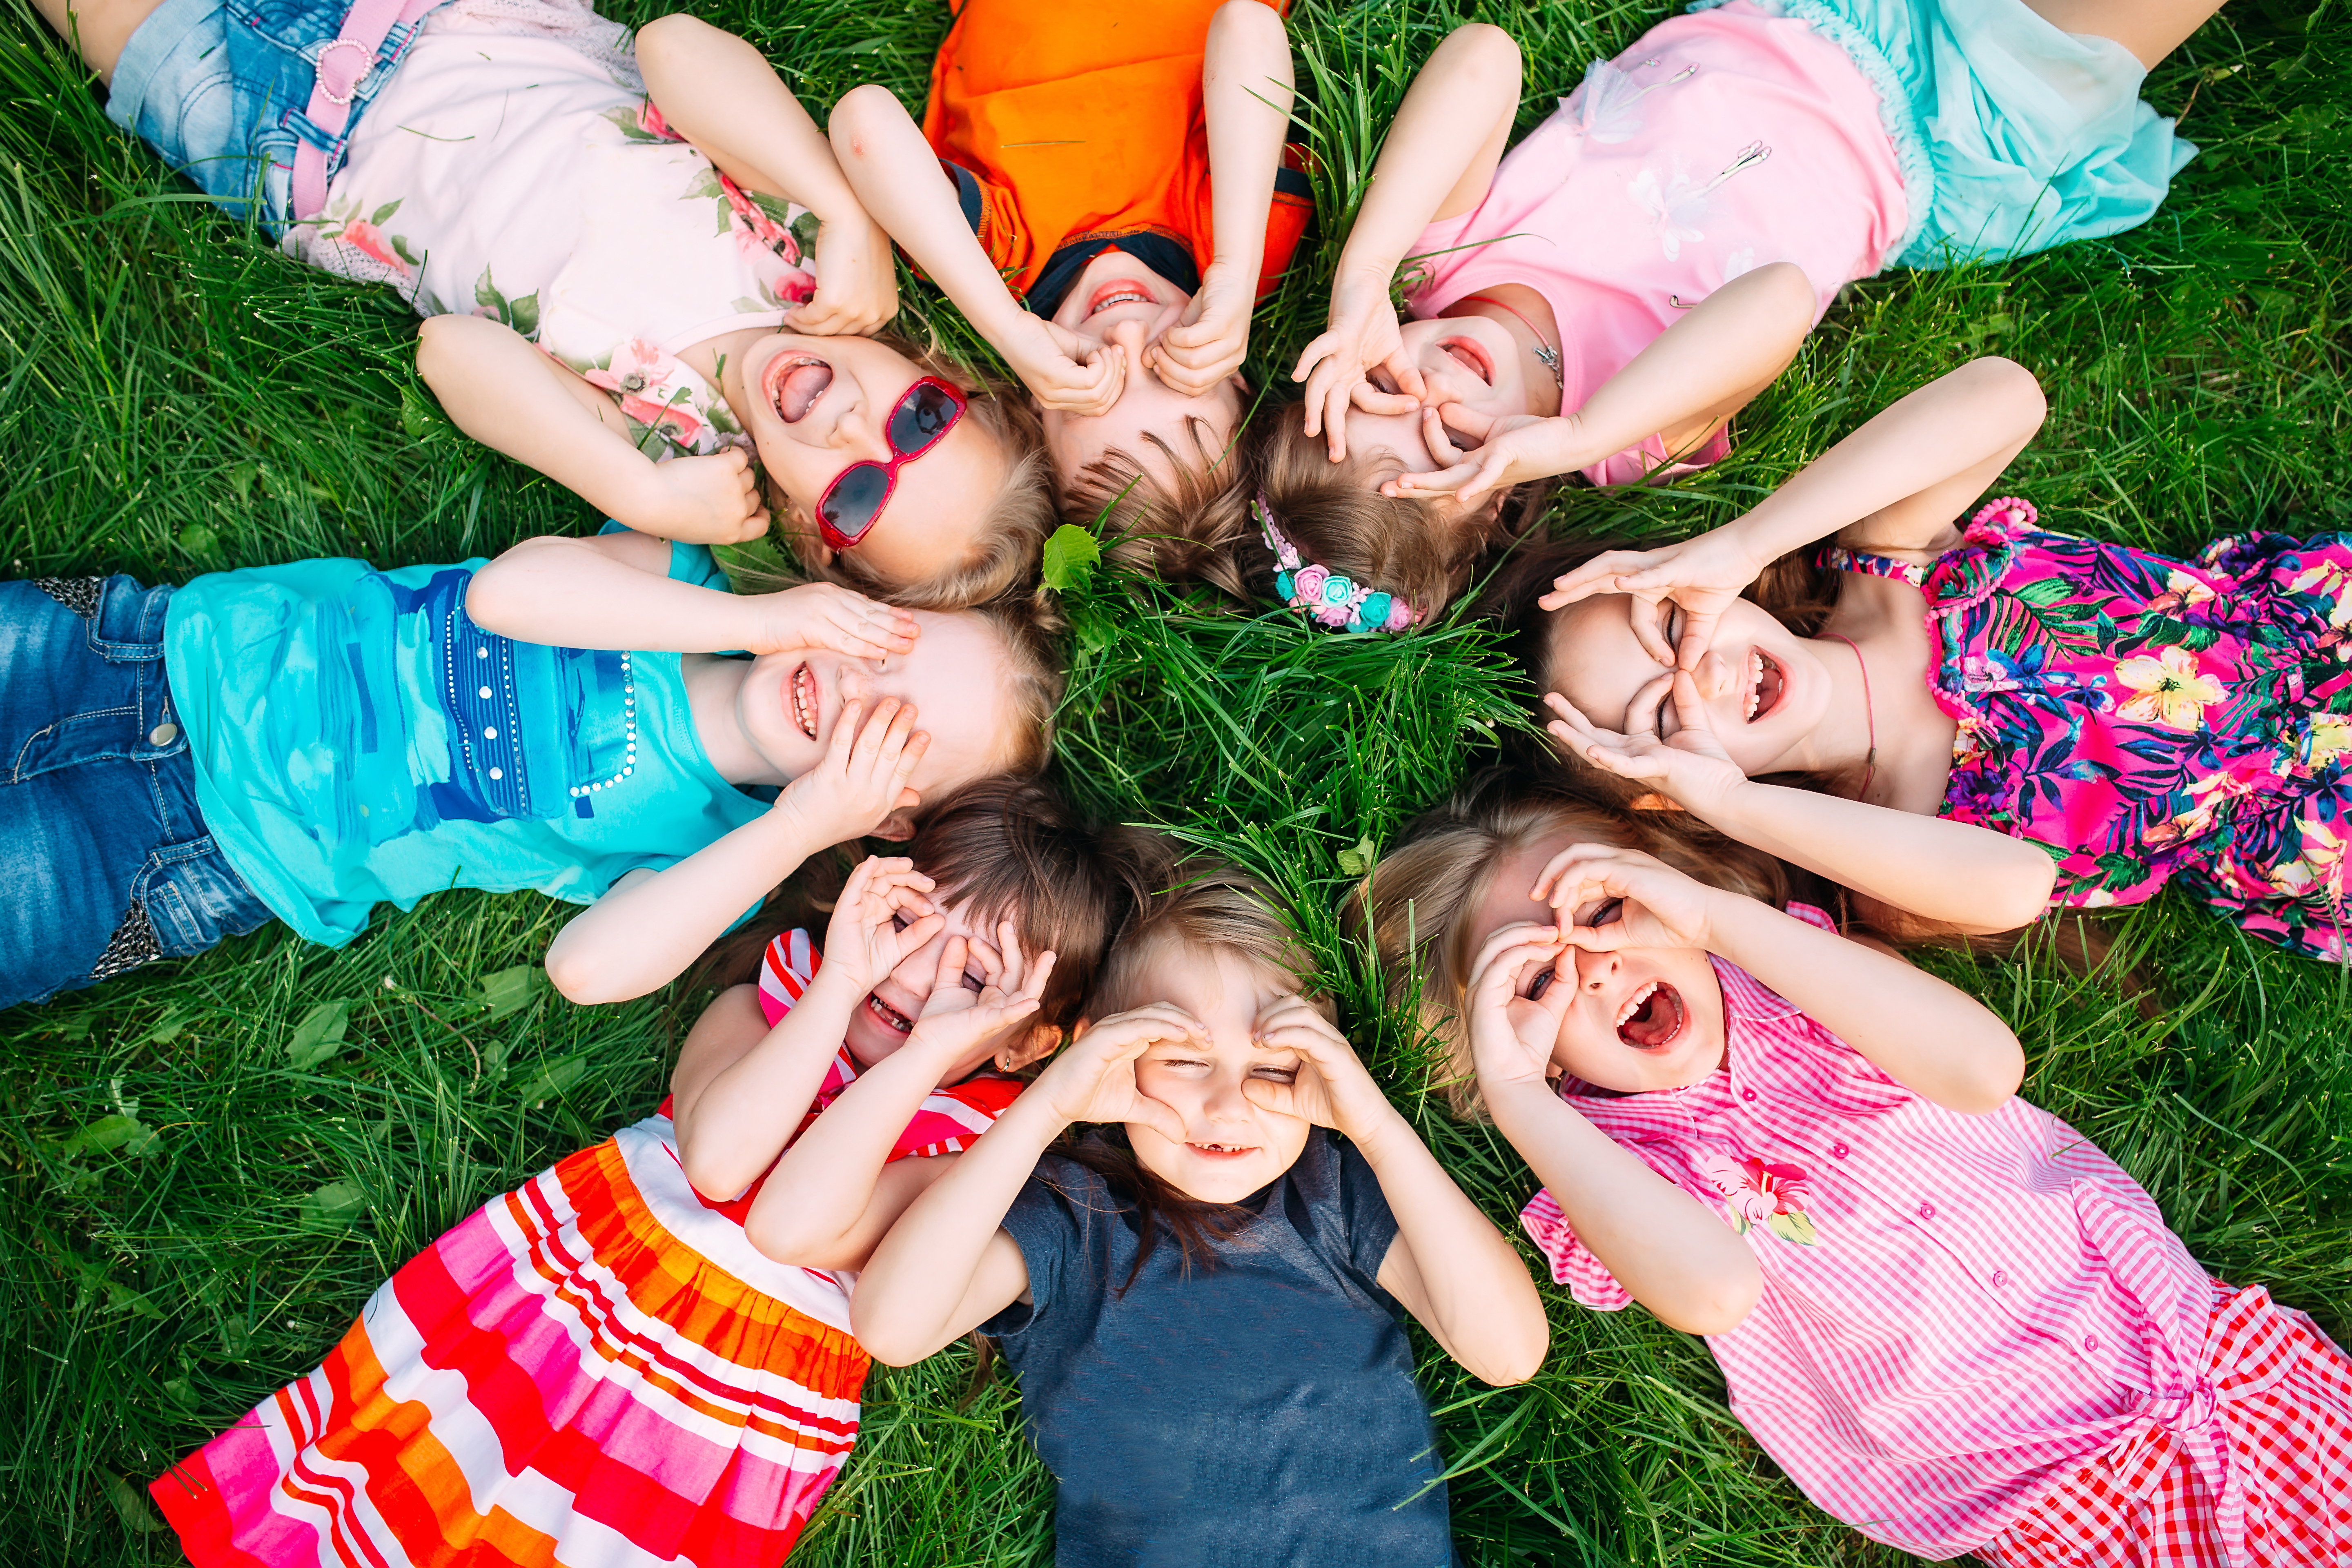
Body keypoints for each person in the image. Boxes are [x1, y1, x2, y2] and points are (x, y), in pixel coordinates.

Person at [1361, 768, 2352, 1566]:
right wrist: (1518, 1094)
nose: (1597, 967)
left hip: (2230, 1367)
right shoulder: (1610, 1169)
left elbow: (1982, 1068)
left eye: (1611, 909)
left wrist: (1712, 918)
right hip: (2065, 1500)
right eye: (1536, 980)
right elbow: (1712, 1290)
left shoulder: (1801, 976)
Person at [146, 777, 1138, 1568]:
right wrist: (838, 983)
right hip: (565, 1305)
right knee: (423, 1477)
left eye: (973, 983)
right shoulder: (774, 1005)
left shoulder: (964, 1150)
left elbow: (800, 1220)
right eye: (912, 930)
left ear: (1025, 1042)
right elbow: (719, 1161)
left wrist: (926, 1058)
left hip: (719, 1427)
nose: (919, 982)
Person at [35, 0, 1054, 604]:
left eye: (858, 495)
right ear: (938, 373)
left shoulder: (671, 448)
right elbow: (674, 48)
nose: (849, 424)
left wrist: (638, 494)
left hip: (290, 145)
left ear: (799, 524)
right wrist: (846, 213)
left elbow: (452, 355)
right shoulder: (801, 260)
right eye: (920, 419)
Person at [1256, 0, 2217, 621]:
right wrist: (1575, 431)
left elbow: (1483, 59)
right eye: (1451, 448)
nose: (1430, 395)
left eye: (1381, 385)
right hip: (1947, 127)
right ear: (1507, 494)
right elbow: (1780, 302)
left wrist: (1362, 280)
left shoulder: (1440, 260)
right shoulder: (1625, 435)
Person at [0, 526, 1060, 1011]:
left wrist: (796, 828)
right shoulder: (685, 586)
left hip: (203, 858)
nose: (856, 695)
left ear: (882, 814)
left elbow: (585, 972)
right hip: (152, 651)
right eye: (886, 652)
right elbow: (507, 597)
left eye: (896, 738)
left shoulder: (717, 854)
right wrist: (753, 616)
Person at [1516, 354, 2352, 958]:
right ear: (1668, 794)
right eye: (1663, 714)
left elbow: (2007, 397)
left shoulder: (1890, 567)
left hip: (2314, 625)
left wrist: (1744, 542)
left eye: (1668, 627)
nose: (1701, 673)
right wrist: (1729, 801)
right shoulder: (1893, 838)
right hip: (2315, 813)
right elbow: (2016, 888)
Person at [849, 852, 1549, 1566]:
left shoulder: (1335, 1189)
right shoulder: (1067, 1213)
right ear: (1104, 1053)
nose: (1228, 1103)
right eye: (1184, 1058)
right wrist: (1047, 1107)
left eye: (1273, 1067)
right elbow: (893, 1329)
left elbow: (1509, 1354)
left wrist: (1374, 1125)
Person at [827, 0, 1312, 555]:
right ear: (1236, 377)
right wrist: (1238, 269)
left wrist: (1008, 327)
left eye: (1097, 387)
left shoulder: (997, 258)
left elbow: (863, 121)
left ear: (1040, 401)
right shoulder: (1231, 247)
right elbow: (1248, 27)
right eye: (1172, 367)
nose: (1127, 335)